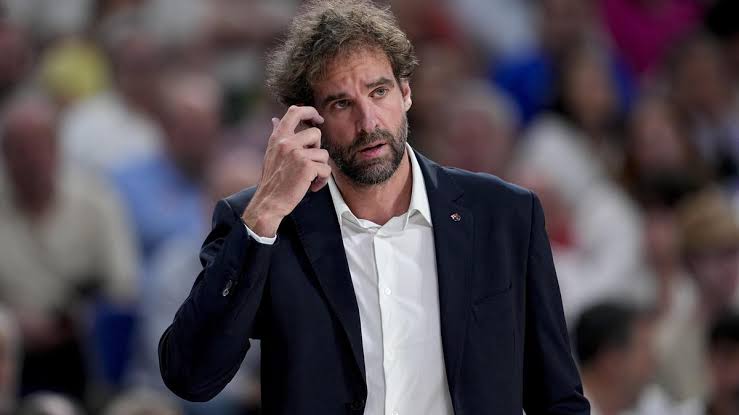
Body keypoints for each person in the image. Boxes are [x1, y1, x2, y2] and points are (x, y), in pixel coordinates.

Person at [158, 1, 589, 414]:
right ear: (307, 120)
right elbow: (191, 376)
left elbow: (558, 399)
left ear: (406, 92)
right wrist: (264, 215)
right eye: (341, 103)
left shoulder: (504, 216)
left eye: (378, 91)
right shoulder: (265, 225)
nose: (368, 123)